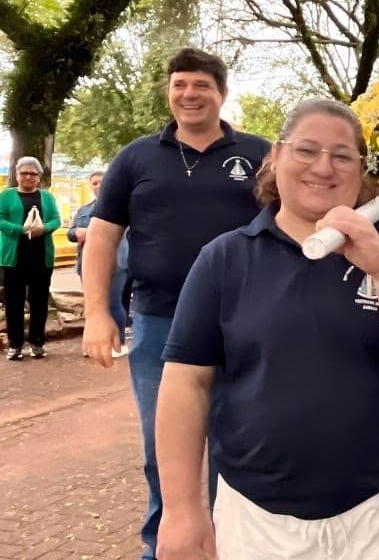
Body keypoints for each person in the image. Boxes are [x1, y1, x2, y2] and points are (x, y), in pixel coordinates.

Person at [155, 99, 379, 559]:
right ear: (277, 156)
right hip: (257, 513)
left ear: (360, 168)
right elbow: (185, 382)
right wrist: (180, 510)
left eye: (342, 155)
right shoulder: (225, 257)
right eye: (306, 150)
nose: (323, 167)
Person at [81, 48, 271, 560]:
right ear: (168, 91)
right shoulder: (135, 159)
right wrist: (97, 313)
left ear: (222, 93)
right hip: (159, 323)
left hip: (247, 322)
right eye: (180, 84)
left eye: (201, 85)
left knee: (243, 442)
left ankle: (233, 542)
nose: (189, 94)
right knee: (162, 447)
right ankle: (163, 543)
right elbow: (103, 237)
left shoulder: (260, 155)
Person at [1, 157, 61, 360]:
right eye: (24, 173)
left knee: (39, 301)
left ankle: (37, 342)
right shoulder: (7, 195)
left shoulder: (47, 197)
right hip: (14, 258)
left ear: (39, 177)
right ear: (17, 175)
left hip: (41, 258)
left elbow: (56, 220)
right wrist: (21, 229)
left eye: (33, 173)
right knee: (14, 302)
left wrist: (42, 229)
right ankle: (15, 345)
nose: (28, 177)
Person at [67, 171, 129, 355]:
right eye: (94, 183)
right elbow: (70, 233)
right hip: (86, 264)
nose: (98, 185)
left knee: (113, 302)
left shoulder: (123, 207)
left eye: (102, 181)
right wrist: (77, 232)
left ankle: (118, 343)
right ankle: (95, 343)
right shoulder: (83, 210)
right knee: (92, 303)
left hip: (116, 262)